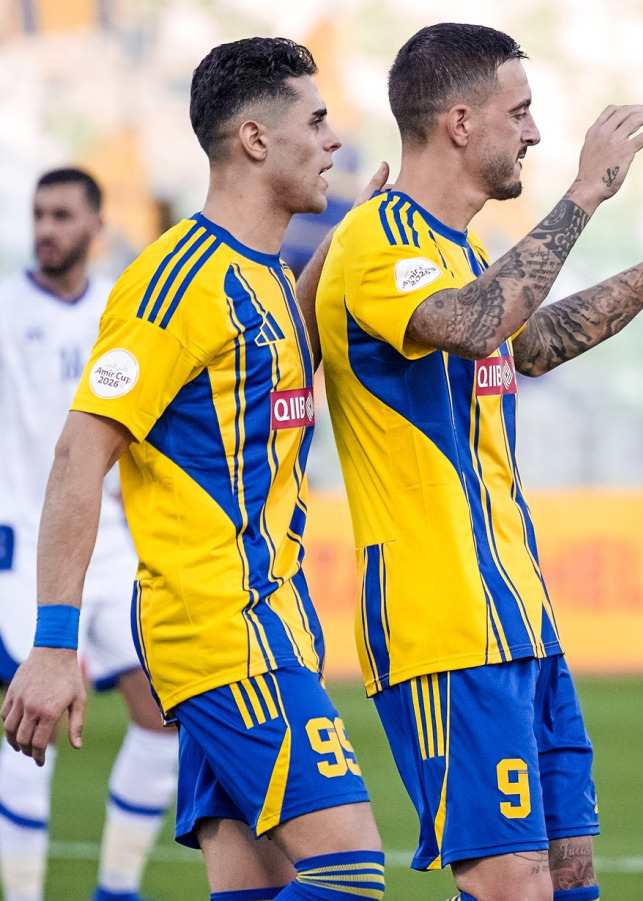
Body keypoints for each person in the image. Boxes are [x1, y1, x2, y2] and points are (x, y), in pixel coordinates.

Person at [306, 22, 643, 901]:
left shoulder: (464, 251)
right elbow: (478, 322)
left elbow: (532, 338)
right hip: (442, 620)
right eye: (523, 113)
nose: (538, 135)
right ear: (462, 122)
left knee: (569, 879)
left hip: (517, 613)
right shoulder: (376, 240)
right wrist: (587, 193)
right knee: (511, 884)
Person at [1, 38, 389, 901]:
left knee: (255, 888)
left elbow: (272, 357)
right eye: (316, 121)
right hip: (221, 627)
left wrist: (348, 242)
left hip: (269, 618)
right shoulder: (172, 282)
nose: (333, 140)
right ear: (255, 138)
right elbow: (79, 454)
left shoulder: (263, 279)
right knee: (351, 872)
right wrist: (55, 643)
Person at [0, 167, 178, 901]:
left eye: (63, 214)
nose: (47, 228)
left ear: (96, 225)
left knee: (165, 719)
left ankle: (116, 888)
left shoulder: (119, 312)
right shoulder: (6, 309)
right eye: (39, 214)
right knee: (24, 736)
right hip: (25, 556)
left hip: (115, 553)